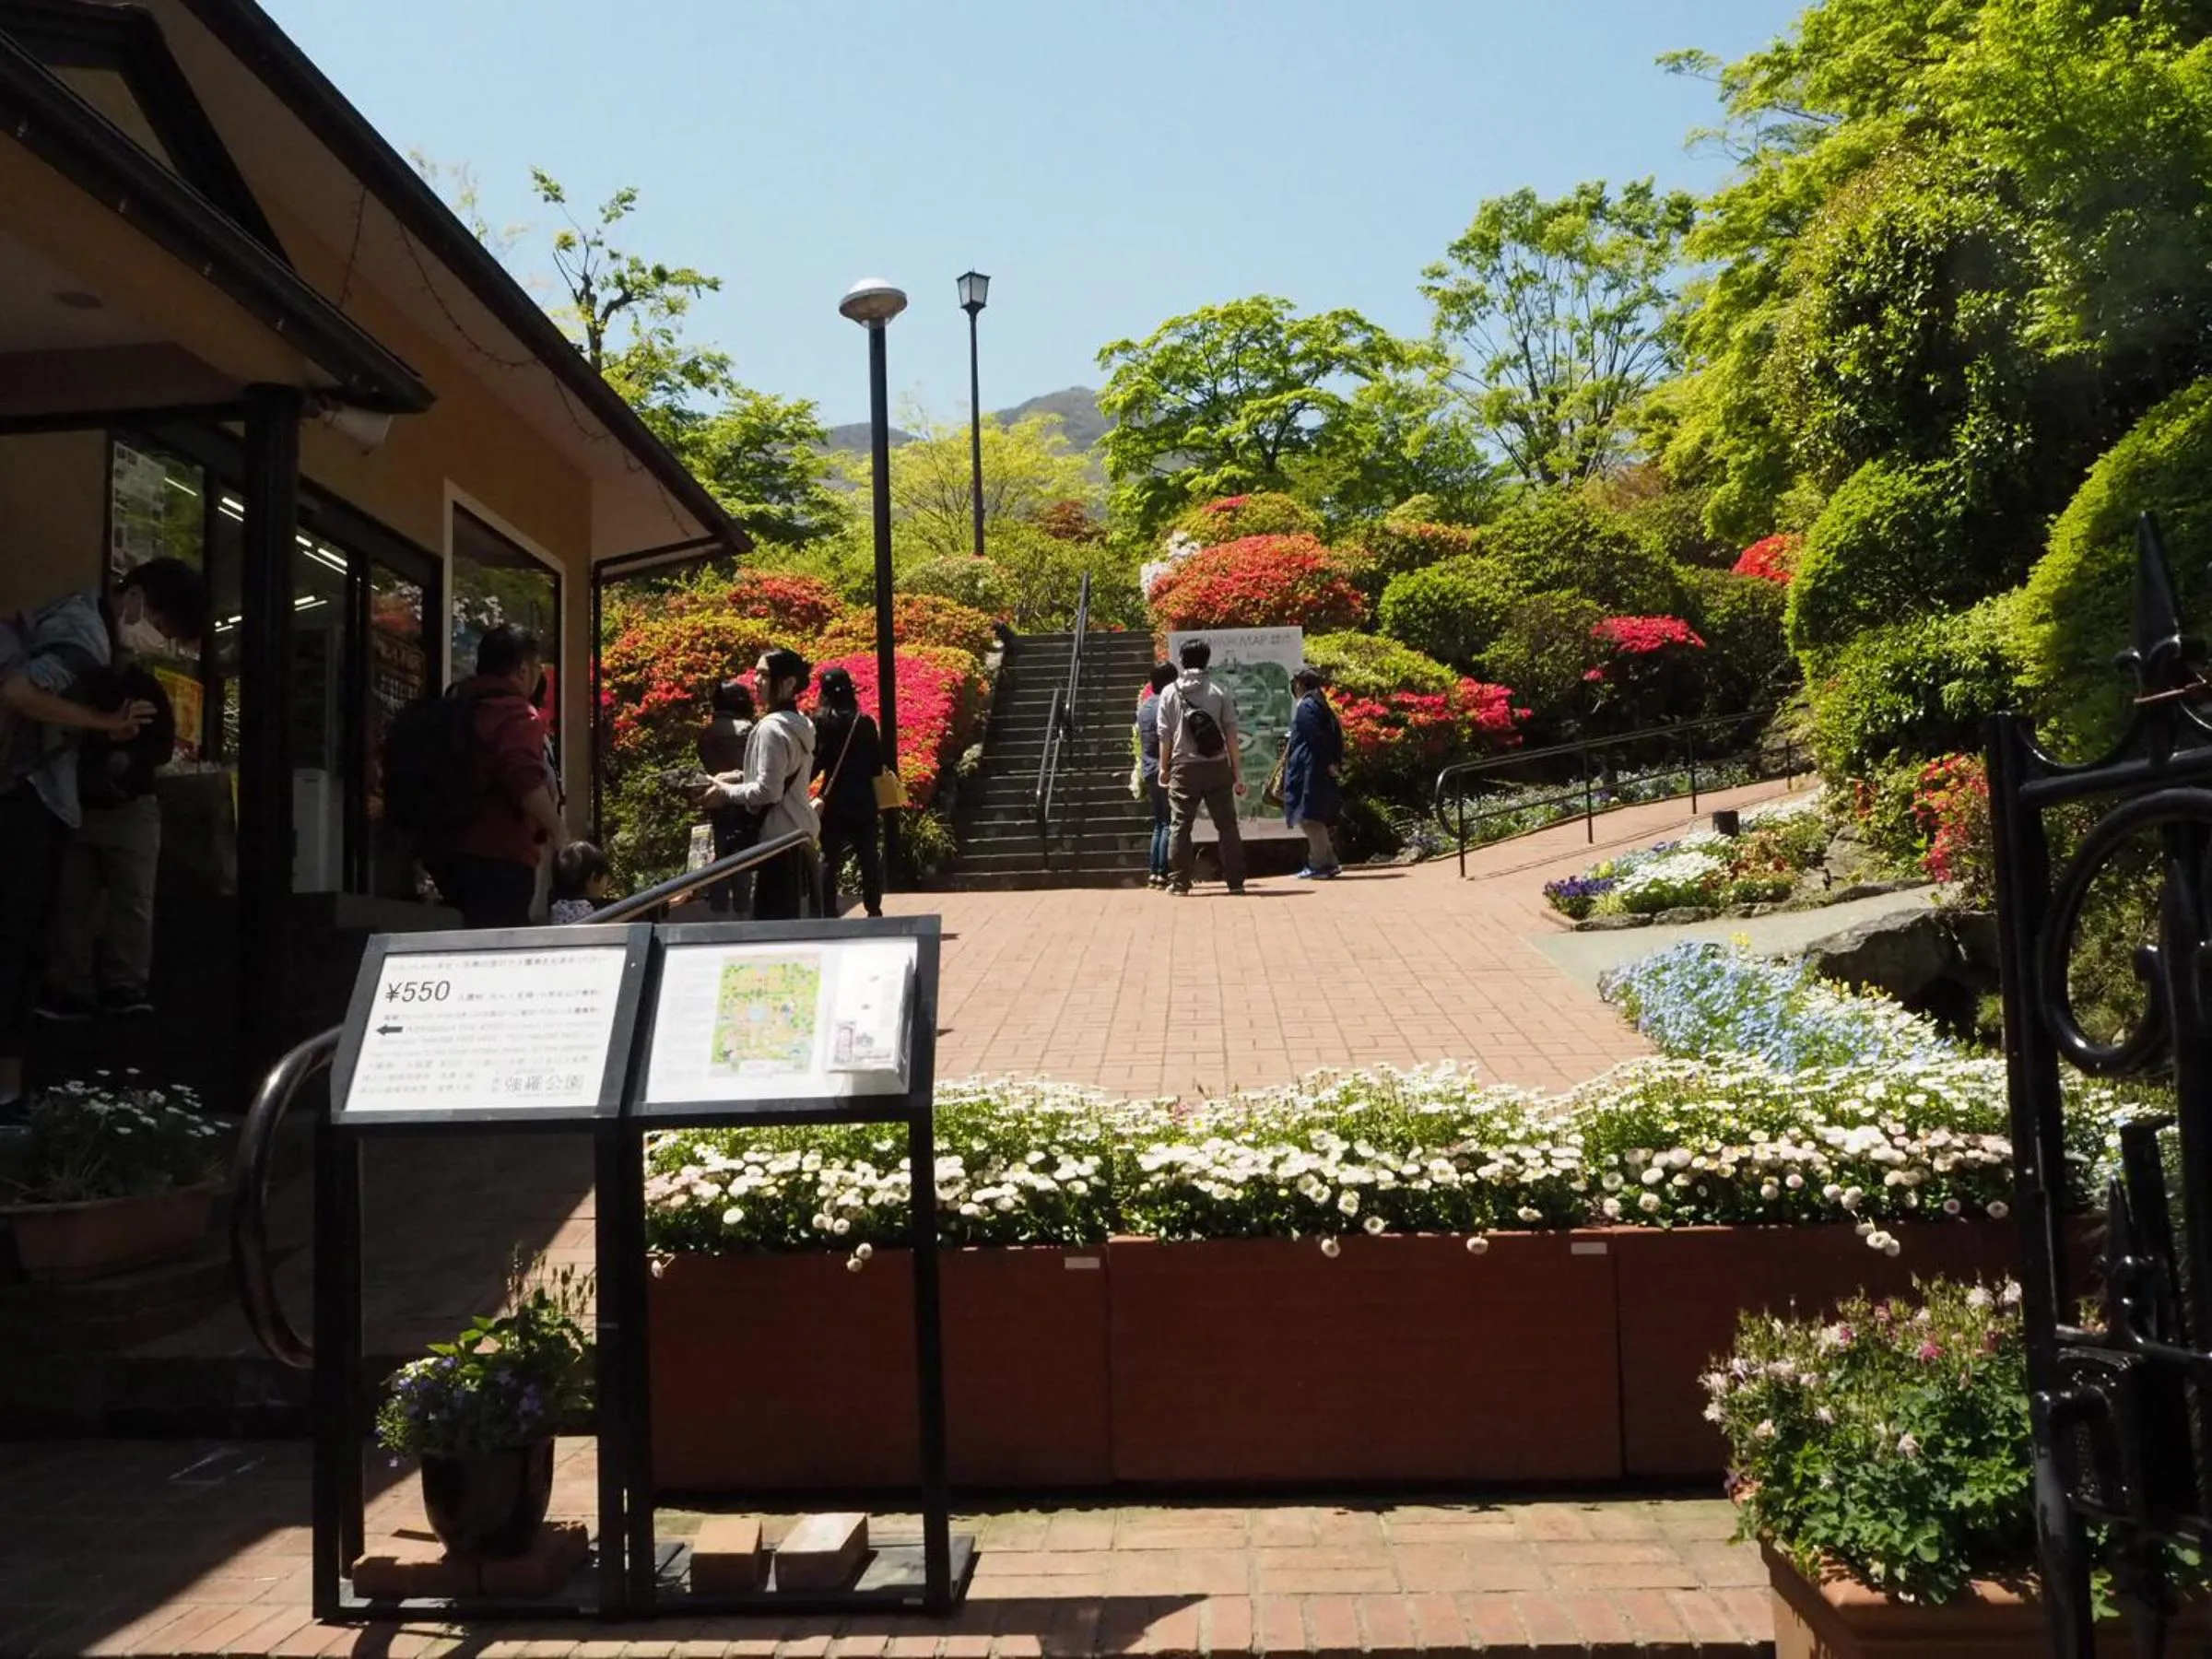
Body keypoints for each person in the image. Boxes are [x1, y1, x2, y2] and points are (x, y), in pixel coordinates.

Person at [0, 557, 206, 1116]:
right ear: (134, 597)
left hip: (33, 792)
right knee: (18, 942)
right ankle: (10, 1093)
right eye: (159, 625)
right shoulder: (84, 634)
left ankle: (14, 1089)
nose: (157, 639)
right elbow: (19, 692)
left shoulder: (76, 619)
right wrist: (104, 725)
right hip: (26, 793)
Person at [40, 662, 177, 1020]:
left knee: (93, 900)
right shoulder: (126, 685)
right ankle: (108, 984)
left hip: (102, 803)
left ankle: (93, 983)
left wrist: (113, 750)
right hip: (105, 803)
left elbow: (160, 743)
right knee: (101, 900)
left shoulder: (90, 684)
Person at [420, 625, 570, 929]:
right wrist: (561, 834)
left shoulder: (458, 708)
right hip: (500, 859)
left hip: (443, 856)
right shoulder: (516, 713)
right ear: (523, 669)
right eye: (538, 667)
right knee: (498, 945)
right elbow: (523, 779)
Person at [698, 649, 818, 922]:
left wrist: (725, 793)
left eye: (764, 675)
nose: (756, 681)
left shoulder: (770, 728)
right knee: (790, 921)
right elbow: (780, 773)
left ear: (788, 682)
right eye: (756, 674)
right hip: (798, 833)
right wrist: (739, 776)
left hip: (776, 841)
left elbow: (768, 791)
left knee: (773, 926)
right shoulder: (801, 723)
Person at [1155, 637, 1248, 896]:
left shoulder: (1169, 692)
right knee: (1227, 826)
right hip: (1217, 766)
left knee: (1180, 826)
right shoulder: (1220, 691)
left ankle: (1179, 883)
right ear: (1207, 661)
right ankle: (1236, 882)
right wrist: (1237, 773)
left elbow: (1164, 735)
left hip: (1183, 768)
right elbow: (1231, 736)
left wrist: (1164, 768)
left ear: (1182, 661)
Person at [811, 667, 885, 918]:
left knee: (829, 857)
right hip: (863, 797)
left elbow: (817, 761)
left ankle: (828, 909)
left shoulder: (820, 722)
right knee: (868, 855)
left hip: (833, 798)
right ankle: (873, 907)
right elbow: (877, 765)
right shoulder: (863, 722)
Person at [698, 678, 756, 914]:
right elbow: (754, 767)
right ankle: (743, 909)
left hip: (715, 799)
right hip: (741, 799)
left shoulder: (707, 733)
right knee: (742, 857)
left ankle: (718, 909)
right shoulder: (746, 729)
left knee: (720, 855)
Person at [1282, 666, 1346, 879]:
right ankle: (1329, 862)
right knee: (1313, 815)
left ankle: (1319, 864)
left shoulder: (1306, 707)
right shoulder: (1320, 703)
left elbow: (1316, 738)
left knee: (1309, 817)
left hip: (1310, 769)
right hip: (1317, 768)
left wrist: (1328, 762)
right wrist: (1334, 762)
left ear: (1300, 684)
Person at [1135, 662, 1177, 888]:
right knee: (1169, 822)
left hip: (1149, 768)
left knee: (1159, 823)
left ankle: (1154, 871)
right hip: (1166, 768)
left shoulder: (1145, 706)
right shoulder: (1167, 704)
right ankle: (1164, 871)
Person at [549, 841, 612, 924]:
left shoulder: (558, 907)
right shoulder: (586, 910)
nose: (608, 881)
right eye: (605, 876)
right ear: (593, 877)